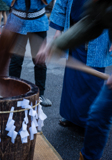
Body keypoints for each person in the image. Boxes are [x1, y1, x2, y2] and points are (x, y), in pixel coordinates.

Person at [36, 0, 112, 159]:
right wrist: (56, 44)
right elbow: (93, 21)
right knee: (97, 112)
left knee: (98, 108)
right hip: (78, 30)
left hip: (99, 43)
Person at [49, 0, 112, 127]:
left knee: (93, 81)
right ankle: (71, 116)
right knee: (72, 79)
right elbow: (62, 2)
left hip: (100, 37)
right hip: (77, 30)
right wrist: (58, 34)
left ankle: (90, 122)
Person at [0, 0, 53, 106]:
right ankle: (13, 92)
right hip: (17, 21)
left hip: (38, 22)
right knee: (15, 60)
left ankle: (40, 94)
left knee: (40, 60)